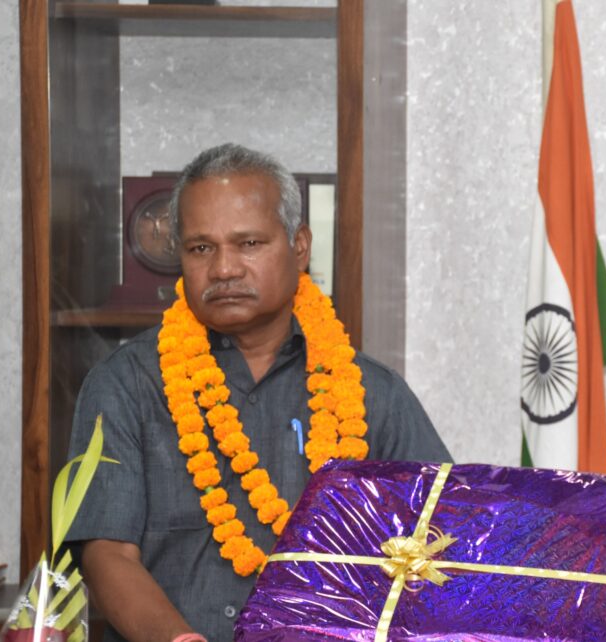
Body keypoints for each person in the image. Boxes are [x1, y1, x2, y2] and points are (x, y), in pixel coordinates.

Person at [65, 143, 452, 642]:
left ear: (300, 246)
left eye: (248, 243)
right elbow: (106, 554)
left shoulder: (372, 394)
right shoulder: (125, 384)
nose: (224, 269)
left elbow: (440, 547)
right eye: (201, 248)